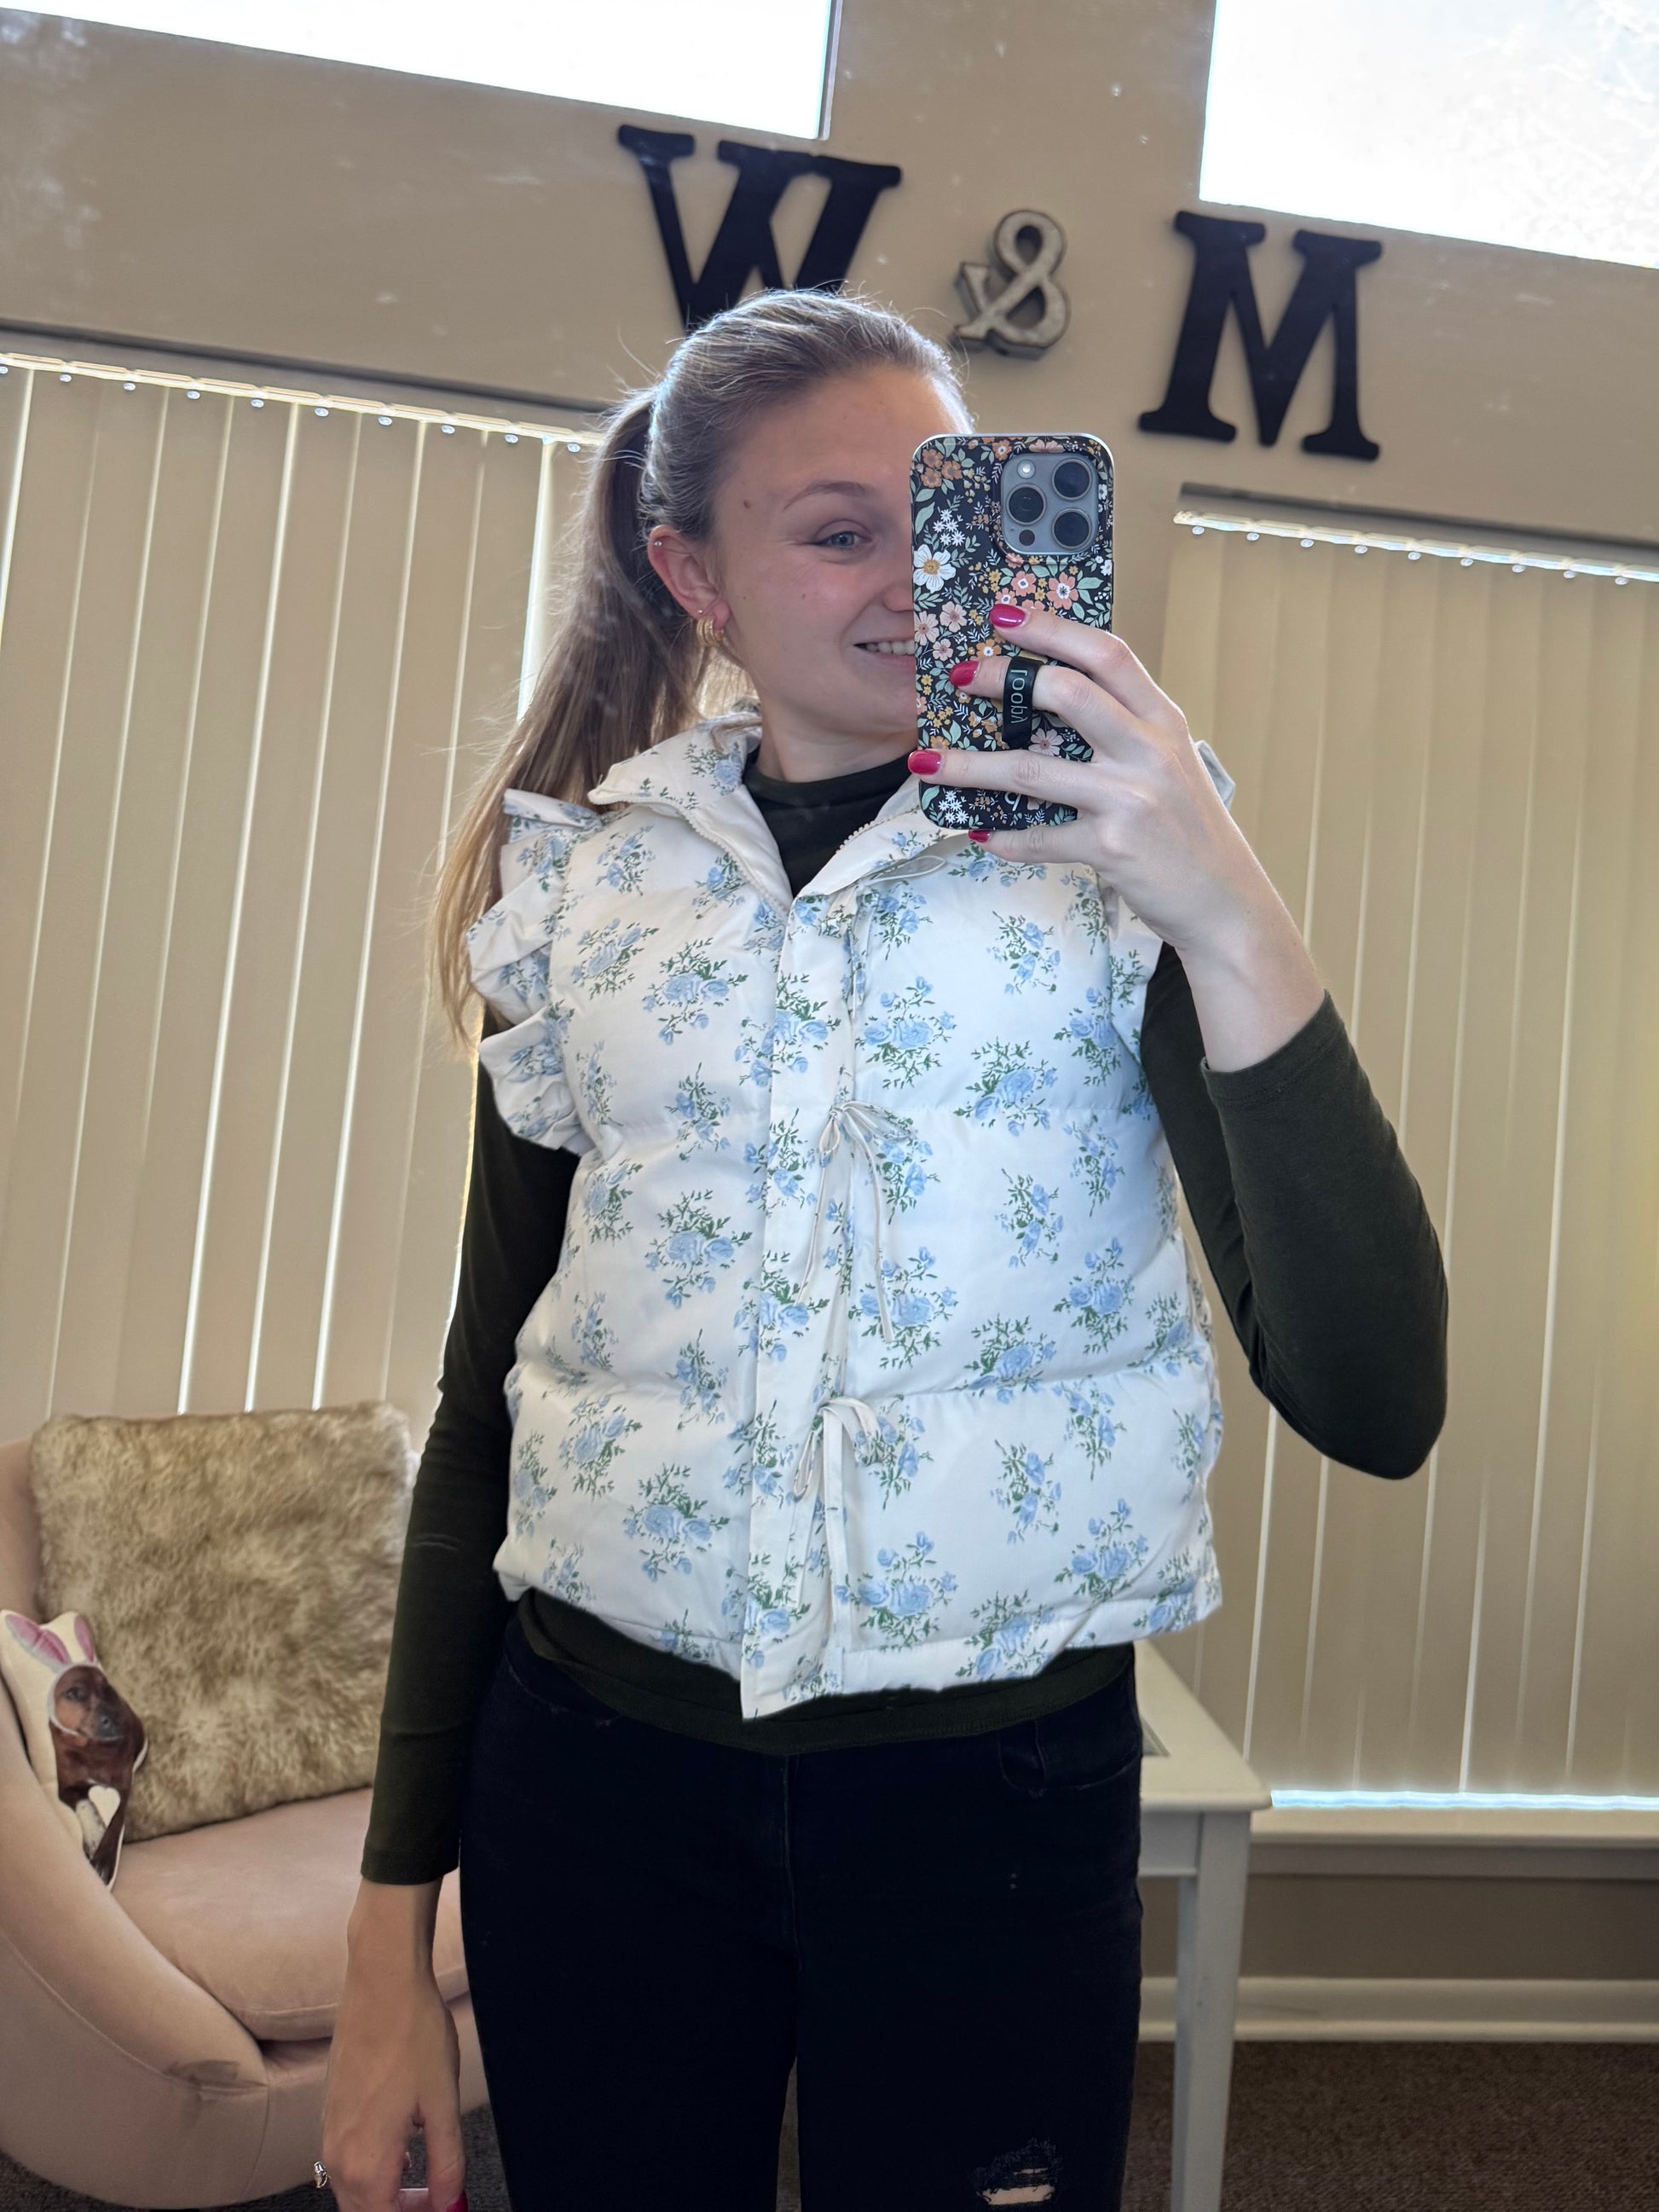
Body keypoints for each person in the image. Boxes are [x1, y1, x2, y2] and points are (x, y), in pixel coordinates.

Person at [320, 287, 1447, 2212]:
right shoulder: (588, 888)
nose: (915, 580)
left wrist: (1222, 902)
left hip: (988, 1812)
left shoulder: (1121, 875)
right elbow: (486, 1400)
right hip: (588, 1786)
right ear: (693, 571)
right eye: (839, 531)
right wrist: (383, 1947)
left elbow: (1376, 1396)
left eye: (945, 516)